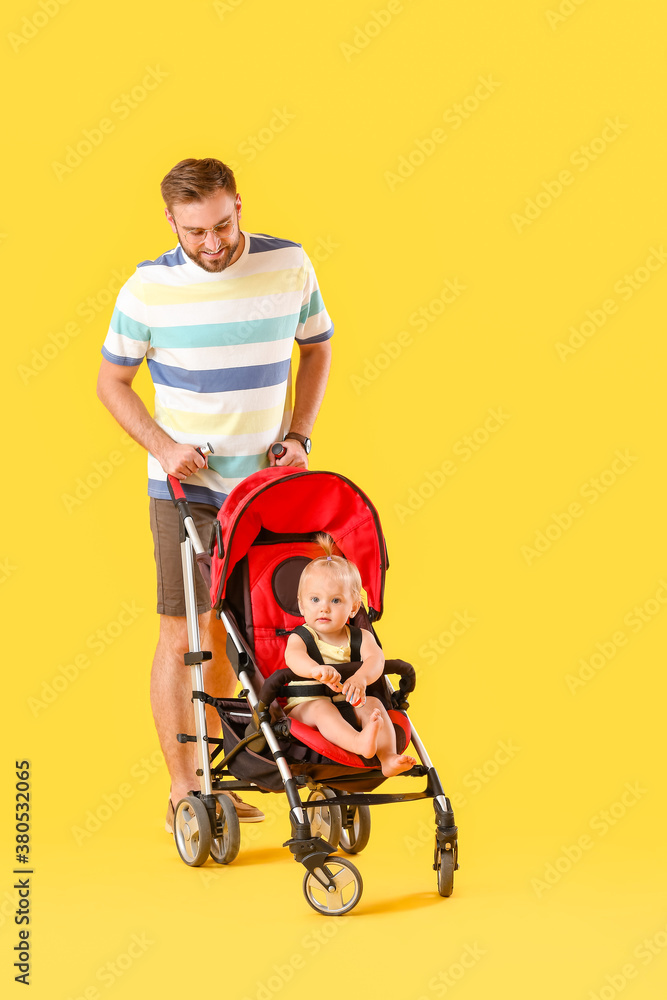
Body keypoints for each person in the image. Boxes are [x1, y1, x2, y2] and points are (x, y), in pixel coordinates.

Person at [96, 157, 333, 828]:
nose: (211, 244)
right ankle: (184, 791)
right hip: (186, 488)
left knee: (241, 633)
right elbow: (111, 382)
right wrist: (165, 447)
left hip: (267, 486)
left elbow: (316, 347)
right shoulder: (147, 287)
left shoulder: (288, 264)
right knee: (183, 635)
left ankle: (218, 774)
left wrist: (300, 434)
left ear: (239, 208)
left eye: (223, 226)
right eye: (194, 231)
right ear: (171, 221)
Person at [284, 536, 416, 777]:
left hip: (349, 700)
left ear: (353, 608)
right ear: (302, 606)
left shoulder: (361, 637)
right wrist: (315, 670)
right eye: (315, 600)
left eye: (336, 600)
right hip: (306, 705)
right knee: (322, 709)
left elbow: (376, 659)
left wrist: (362, 678)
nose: (324, 607)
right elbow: (293, 658)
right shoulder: (301, 637)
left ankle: (387, 757)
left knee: (375, 705)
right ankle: (359, 743)